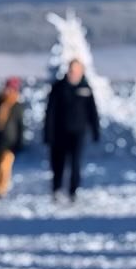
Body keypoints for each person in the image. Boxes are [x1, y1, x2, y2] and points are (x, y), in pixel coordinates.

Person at [44, 58, 100, 201]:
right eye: (71, 70)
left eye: (76, 70)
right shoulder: (58, 87)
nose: (72, 73)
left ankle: (73, 191)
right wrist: (48, 134)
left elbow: (92, 112)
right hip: (59, 133)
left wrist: (95, 131)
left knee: (75, 163)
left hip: (78, 133)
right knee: (58, 163)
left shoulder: (85, 88)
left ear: (81, 72)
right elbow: (50, 112)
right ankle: (56, 189)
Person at [0, 77, 24, 197]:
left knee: (4, 166)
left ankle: (2, 188)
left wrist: (20, 142)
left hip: (10, 141)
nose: (8, 90)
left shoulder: (17, 105)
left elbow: (20, 125)